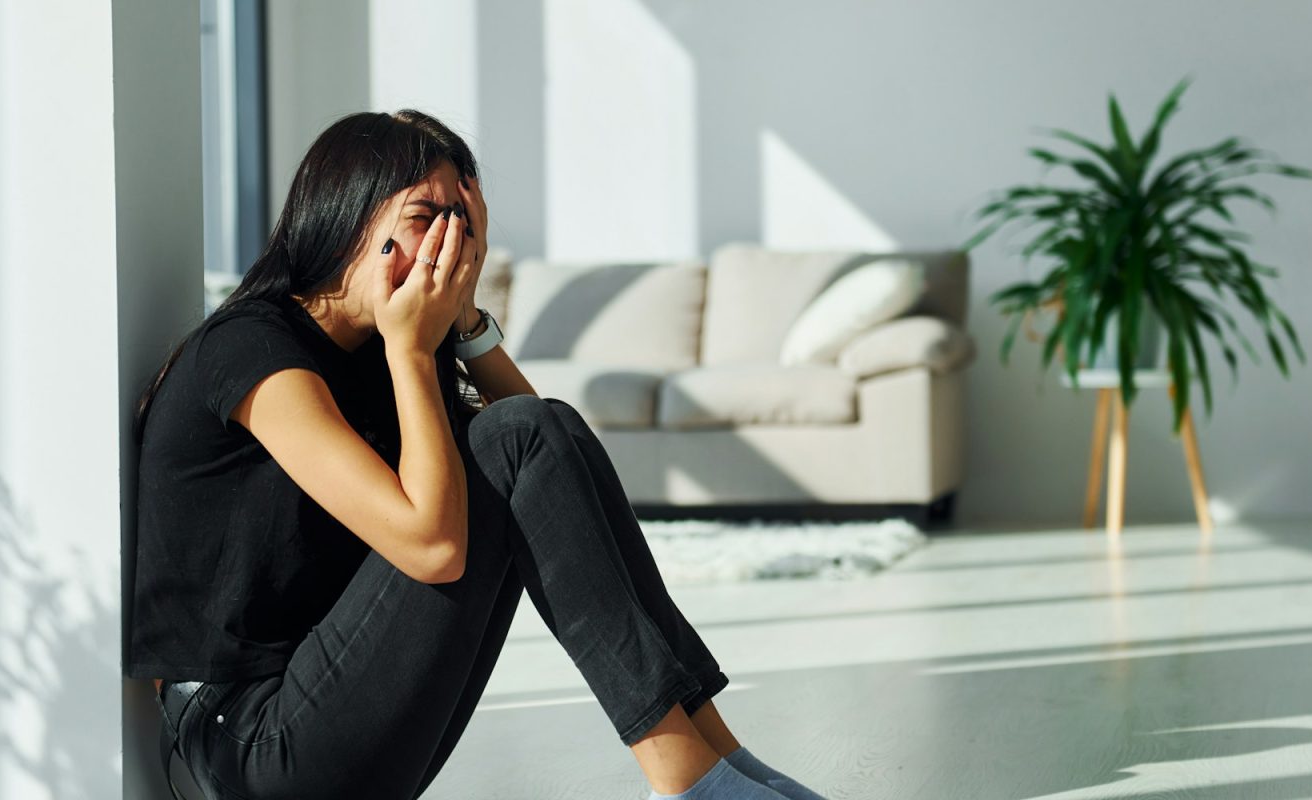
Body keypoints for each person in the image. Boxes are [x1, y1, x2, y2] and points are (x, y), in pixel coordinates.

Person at [123, 110, 827, 800]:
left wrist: (463, 326)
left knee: (546, 426)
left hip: (329, 713)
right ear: (347, 216)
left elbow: (548, 459)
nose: (448, 244)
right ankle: (685, 780)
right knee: (515, 438)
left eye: (462, 223)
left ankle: (718, 758)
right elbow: (432, 548)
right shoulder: (251, 350)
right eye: (426, 216)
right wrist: (410, 347)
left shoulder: (377, 359)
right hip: (246, 748)